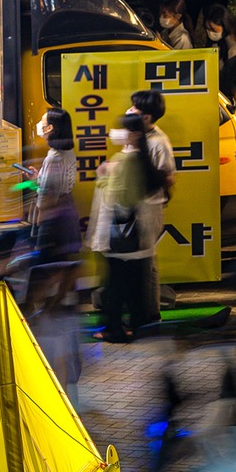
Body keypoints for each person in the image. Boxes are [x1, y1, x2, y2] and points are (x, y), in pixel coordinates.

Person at [90, 110, 165, 343]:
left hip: (120, 237)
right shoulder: (144, 159)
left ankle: (115, 329)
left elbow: (118, 198)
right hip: (139, 237)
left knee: (115, 286)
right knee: (136, 287)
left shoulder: (123, 161)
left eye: (122, 129)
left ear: (132, 134)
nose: (116, 133)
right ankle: (139, 327)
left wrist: (102, 176)